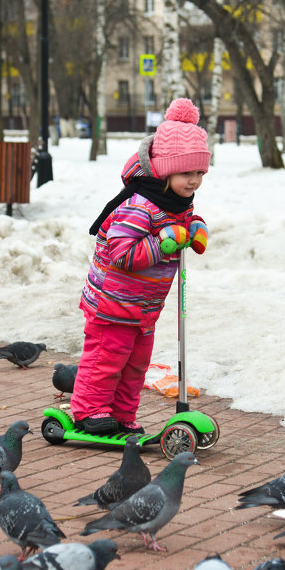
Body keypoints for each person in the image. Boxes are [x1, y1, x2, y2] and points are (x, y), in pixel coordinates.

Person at [70, 98, 210, 436]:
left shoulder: (176, 203)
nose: (193, 181)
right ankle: (89, 411)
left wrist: (196, 228)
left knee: (135, 366)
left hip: (144, 307)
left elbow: (183, 222)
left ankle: (120, 414)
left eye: (199, 173)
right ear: (163, 170)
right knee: (106, 360)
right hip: (113, 302)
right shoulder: (139, 206)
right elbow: (120, 252)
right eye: (185, 173)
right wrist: (163, 241)